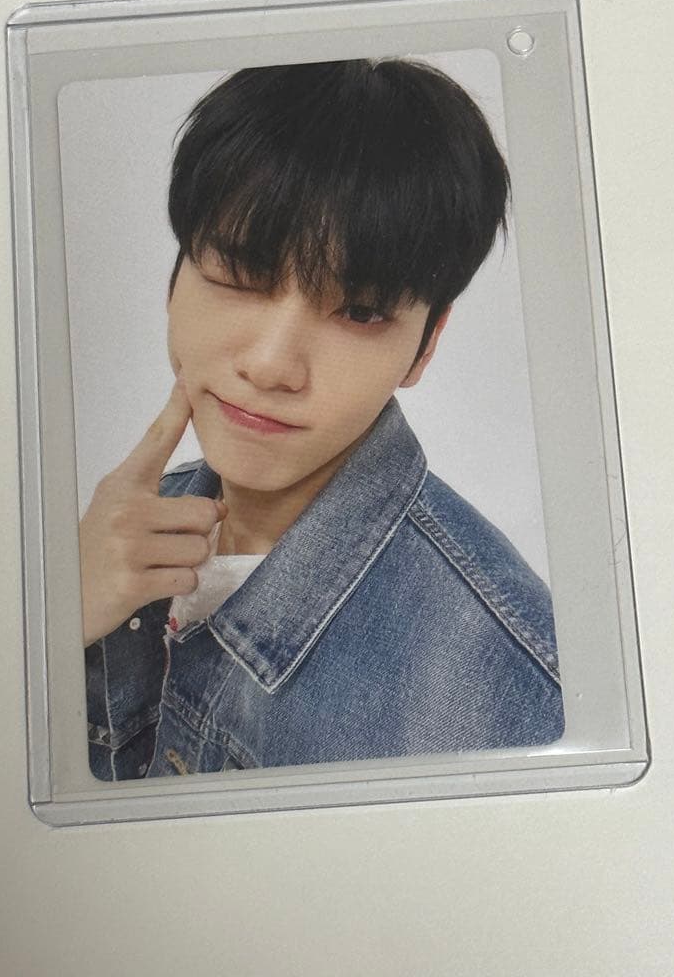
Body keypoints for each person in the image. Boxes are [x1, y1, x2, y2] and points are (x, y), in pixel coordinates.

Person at [83, 60, 564, 782]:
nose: (272, 365)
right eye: (239, 276)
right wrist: (45, 629)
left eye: (360, 312)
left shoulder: (512, 697)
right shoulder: (104, 540)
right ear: (174, 279)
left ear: (426, 344)